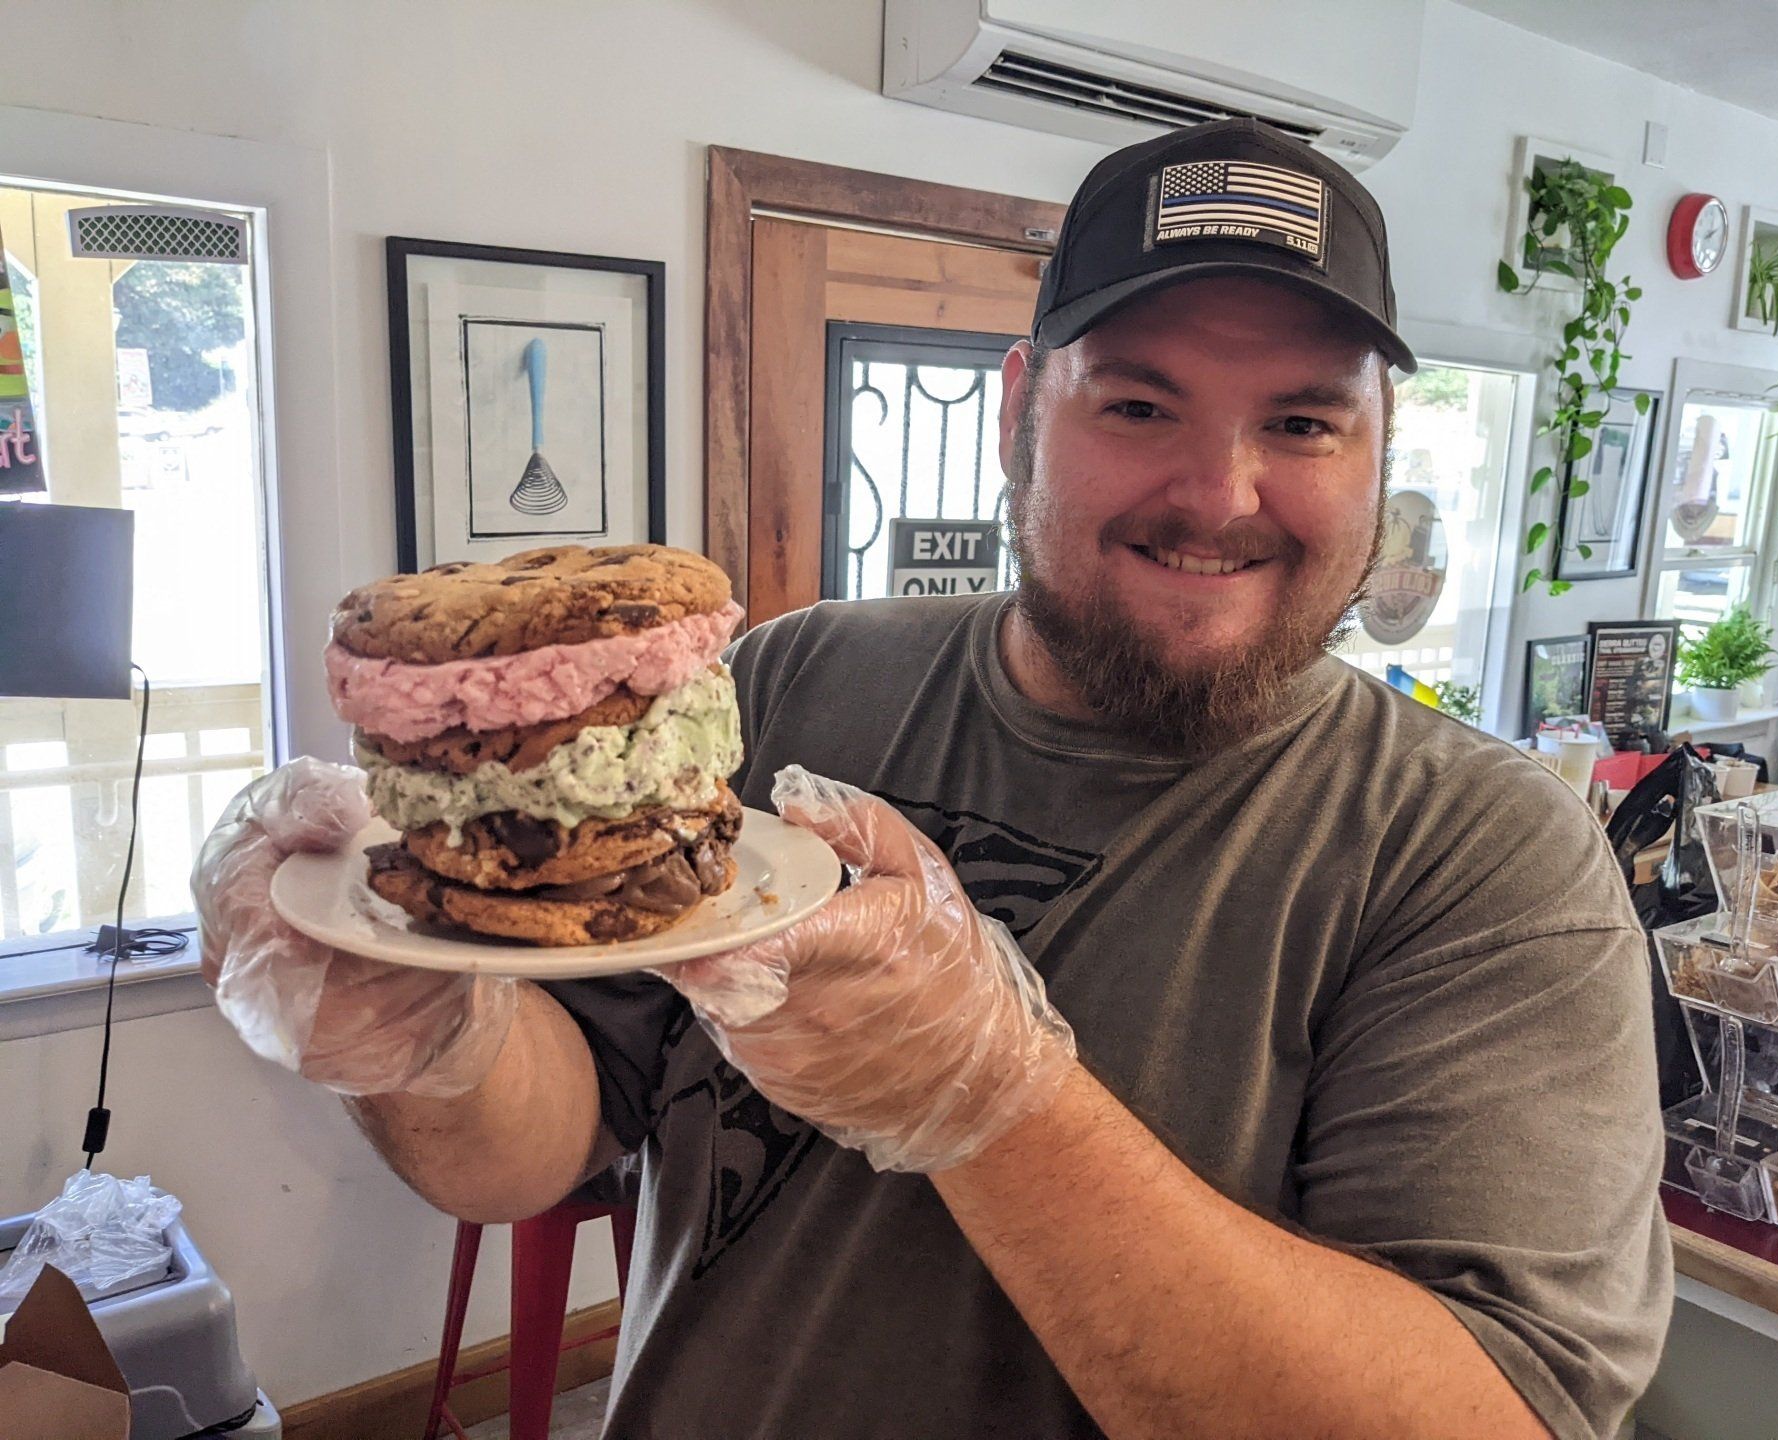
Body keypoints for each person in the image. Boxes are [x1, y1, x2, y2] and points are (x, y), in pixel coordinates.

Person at [194, 119, 1669, 1440]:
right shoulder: (792, 684)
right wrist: (426, 1033)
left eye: (1302, 419)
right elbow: (543, 1139)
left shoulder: (1485, 858)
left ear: (1380, 447)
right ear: (1025, 405)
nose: (1221, 494)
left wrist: (997, 1105)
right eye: (1139, 406)